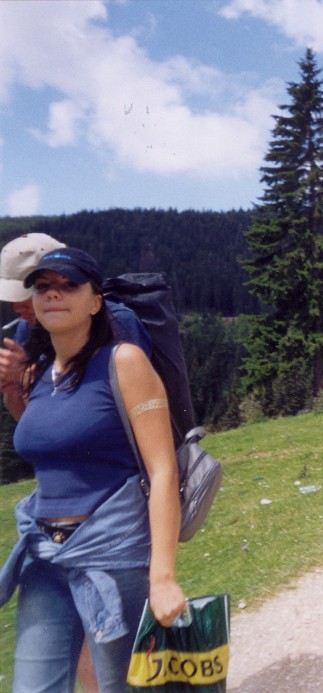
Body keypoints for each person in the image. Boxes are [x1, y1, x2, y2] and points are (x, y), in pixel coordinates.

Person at [0, 248, 187, 691]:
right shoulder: (40, 373)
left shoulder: (124, 361)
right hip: (44, 556)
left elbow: (162, 470)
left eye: (69, 285)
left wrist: (162, 576)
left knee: (125, 686)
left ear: (95, 301)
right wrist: (13, 389)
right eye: (43, 287)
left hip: (112, 555)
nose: (53, 294)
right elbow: (49, 440)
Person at [0, 233, 152, 420]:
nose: (17, 307)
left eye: (28, 293)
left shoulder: (118, 322)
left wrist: (28, 379)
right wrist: (14, 388)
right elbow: (31, 424)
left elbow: (119, 413)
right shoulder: (27, 328)